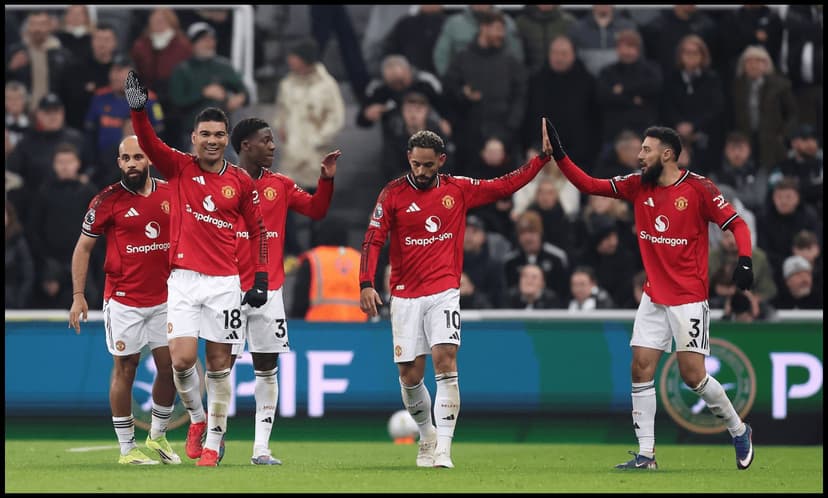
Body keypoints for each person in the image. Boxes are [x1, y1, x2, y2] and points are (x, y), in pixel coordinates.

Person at [544, 119, 756, 470]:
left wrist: (745, 260)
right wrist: (561, 155)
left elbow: (737, 223)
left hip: (689, 298)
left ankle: (739, 429)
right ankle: (646, 455)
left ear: (667, 154)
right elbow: (589, 185)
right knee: (640, 368)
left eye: (646, 150)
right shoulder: (636, 185)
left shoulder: (699, 189)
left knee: (693, 377)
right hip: (654, 296)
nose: (639, 155)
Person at [358, 124, 553, 469]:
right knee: (410, 375)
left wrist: (540, 160)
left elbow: (503, 185)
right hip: (405, 295)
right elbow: (373, 239)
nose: (421, 171)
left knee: (445, 360)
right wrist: (366, 283)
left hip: (444, 291)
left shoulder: (458, 190)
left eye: (428, 165)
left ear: (441, 161)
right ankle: (427, 436)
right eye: (416, 164)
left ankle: (444, 450)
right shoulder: (392, 194)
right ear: (408, 158)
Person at [125, 70, 269, 467]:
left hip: (224, 283)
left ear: (227, 139)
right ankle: (198, 419)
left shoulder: (240, 182)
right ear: (194, 137)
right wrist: (139, 112)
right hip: (184, 281)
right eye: (205, 134)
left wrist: (259, 278)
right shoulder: (179, 167)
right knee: (182, 360)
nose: (212, 140)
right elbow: (149, 143)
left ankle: (213, 445)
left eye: (219, 135)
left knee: (220, 366)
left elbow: (259, 231)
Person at [229, 116, 339, 464]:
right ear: (246, 146)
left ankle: (261, 447)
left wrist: (326, 179)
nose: (273, 146)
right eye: (266, 140)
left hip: (270, 290)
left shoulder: (280, 185)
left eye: (273, 140)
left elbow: (317, 210)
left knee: (267, 366)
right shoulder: (222, 185)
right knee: (220, 366)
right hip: (227, 288)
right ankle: (213, 440)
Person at [68, 135, 180, 465]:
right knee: (125, 368)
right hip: (123, 300)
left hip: (166, 298)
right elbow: (83, 248)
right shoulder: (106, 200)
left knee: (171, 366)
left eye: (138, 157)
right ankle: (127, 449)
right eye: (126, 158)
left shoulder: (171, 193)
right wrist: (78, 296)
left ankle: (157, 436)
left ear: (150, 159)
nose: (132, 163)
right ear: (119, 162)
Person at [291, 218, 365, 322]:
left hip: (318, 328)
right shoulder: (359, 260)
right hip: (359, 327)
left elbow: (300, 302)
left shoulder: (313, 259)